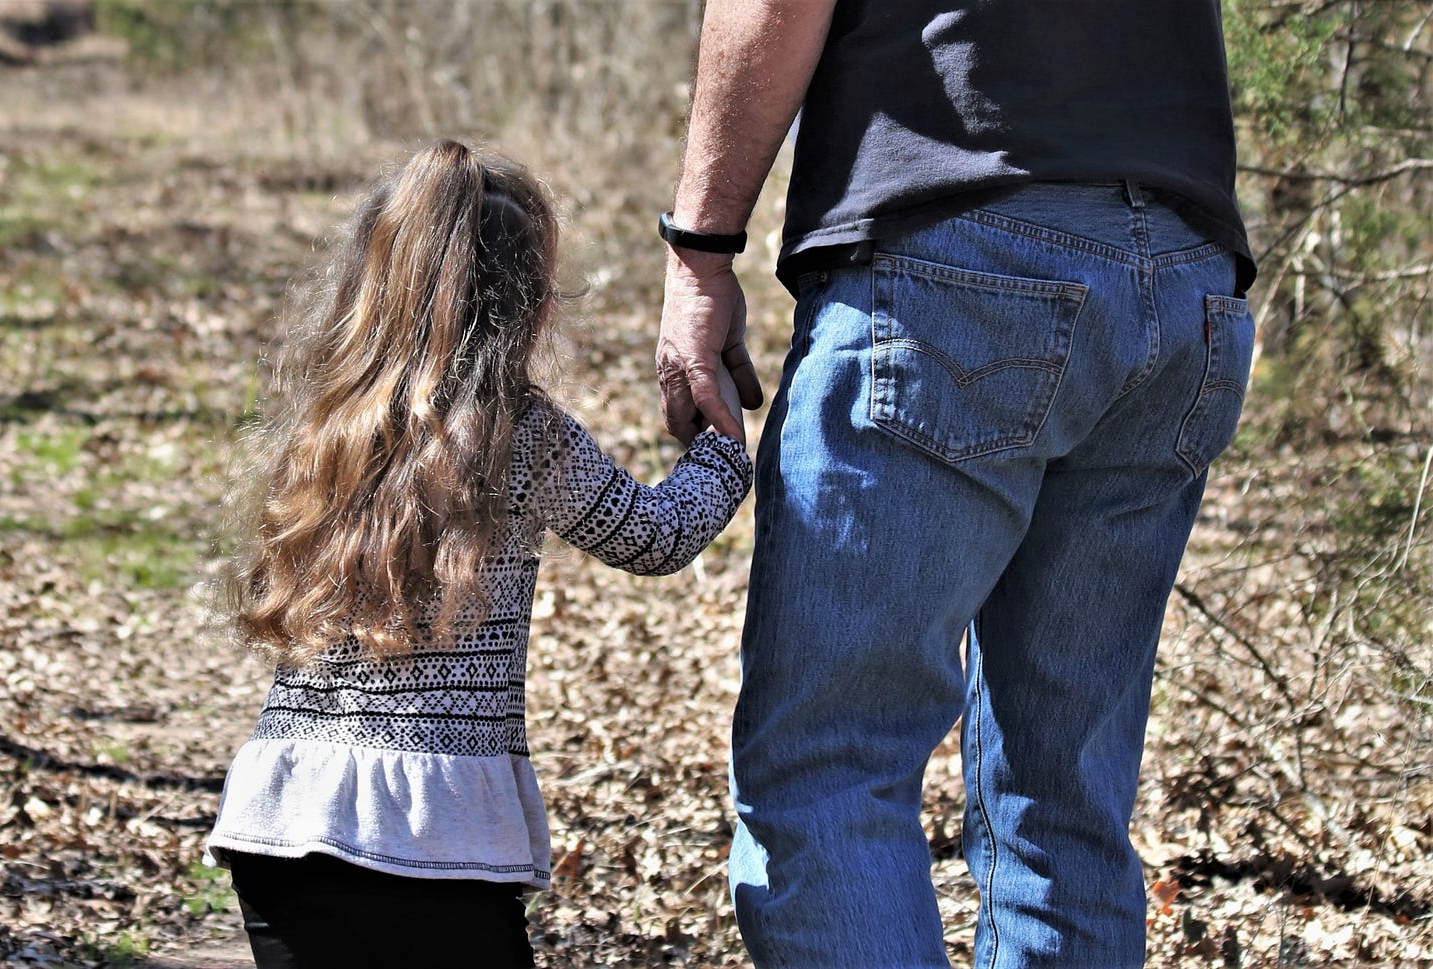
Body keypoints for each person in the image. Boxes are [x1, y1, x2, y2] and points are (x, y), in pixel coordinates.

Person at [654, 2, 1257, 966]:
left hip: (953, 255)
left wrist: (700, 255)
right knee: (1065, 810)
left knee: (832, 772)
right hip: (1187, 288)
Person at [205, 139, 752, 969]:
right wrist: (724, 445)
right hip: (434, 832)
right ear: (529, 299)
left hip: (282, 818)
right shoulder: (517, 434)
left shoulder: (329, 423)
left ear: (372, 278)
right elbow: (654, 535)